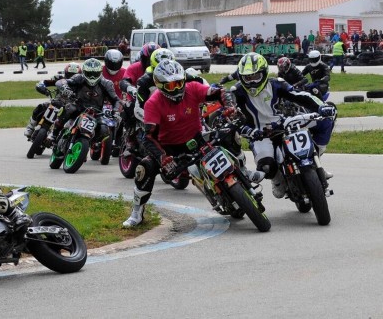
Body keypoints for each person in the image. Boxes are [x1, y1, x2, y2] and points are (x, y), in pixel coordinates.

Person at [123, 59, 237, 227]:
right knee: (144, 168)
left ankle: (244, 172)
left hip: (197, 138)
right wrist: (162, 158)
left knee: (230, 134)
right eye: (170, 86)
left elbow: (220, 92)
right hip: (170, 149)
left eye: (179, 83)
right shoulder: (153, 104)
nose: (176, 89)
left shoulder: (193, 88)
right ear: (160, 86)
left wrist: (230, 106)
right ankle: (137, 212)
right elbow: (148, 137)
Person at [231, 53, 336, 199]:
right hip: (259, 133)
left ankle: (316, 158)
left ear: (264, 72)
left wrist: (321, 107)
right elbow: (231, 117)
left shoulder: (276, 83)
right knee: (267, 166)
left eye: (256, 76)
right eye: (247, 77)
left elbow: (299, 95)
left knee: (326, 120)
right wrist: (247, 130)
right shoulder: (236, 92)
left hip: (284, 123)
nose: (252, 82)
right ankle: (278, 181)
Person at [47, 58, 122, 143]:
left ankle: (96, 144)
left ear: (100, 72)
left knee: (104, 129)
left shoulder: (107, 83)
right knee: (68, 108)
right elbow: (61, 82)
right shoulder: (78, 77)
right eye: (89, 73)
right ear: (84, 72)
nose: (92, 77)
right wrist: (66, 89)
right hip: (78, 106)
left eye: (95, 74)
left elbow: (116, 100)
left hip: (97, 112)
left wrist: (116, 111)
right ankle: (54, 133)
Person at [24, 62, 82, 138]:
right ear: (65, 73)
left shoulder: (81, 84)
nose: (72, 77)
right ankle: (30, 127)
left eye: (74, 75)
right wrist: (42, 87)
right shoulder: (60, 78)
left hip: (69, 108)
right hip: (56, 102)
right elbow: (44, 82)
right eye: (69, 74)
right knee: (41, 107)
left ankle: (61, 137)